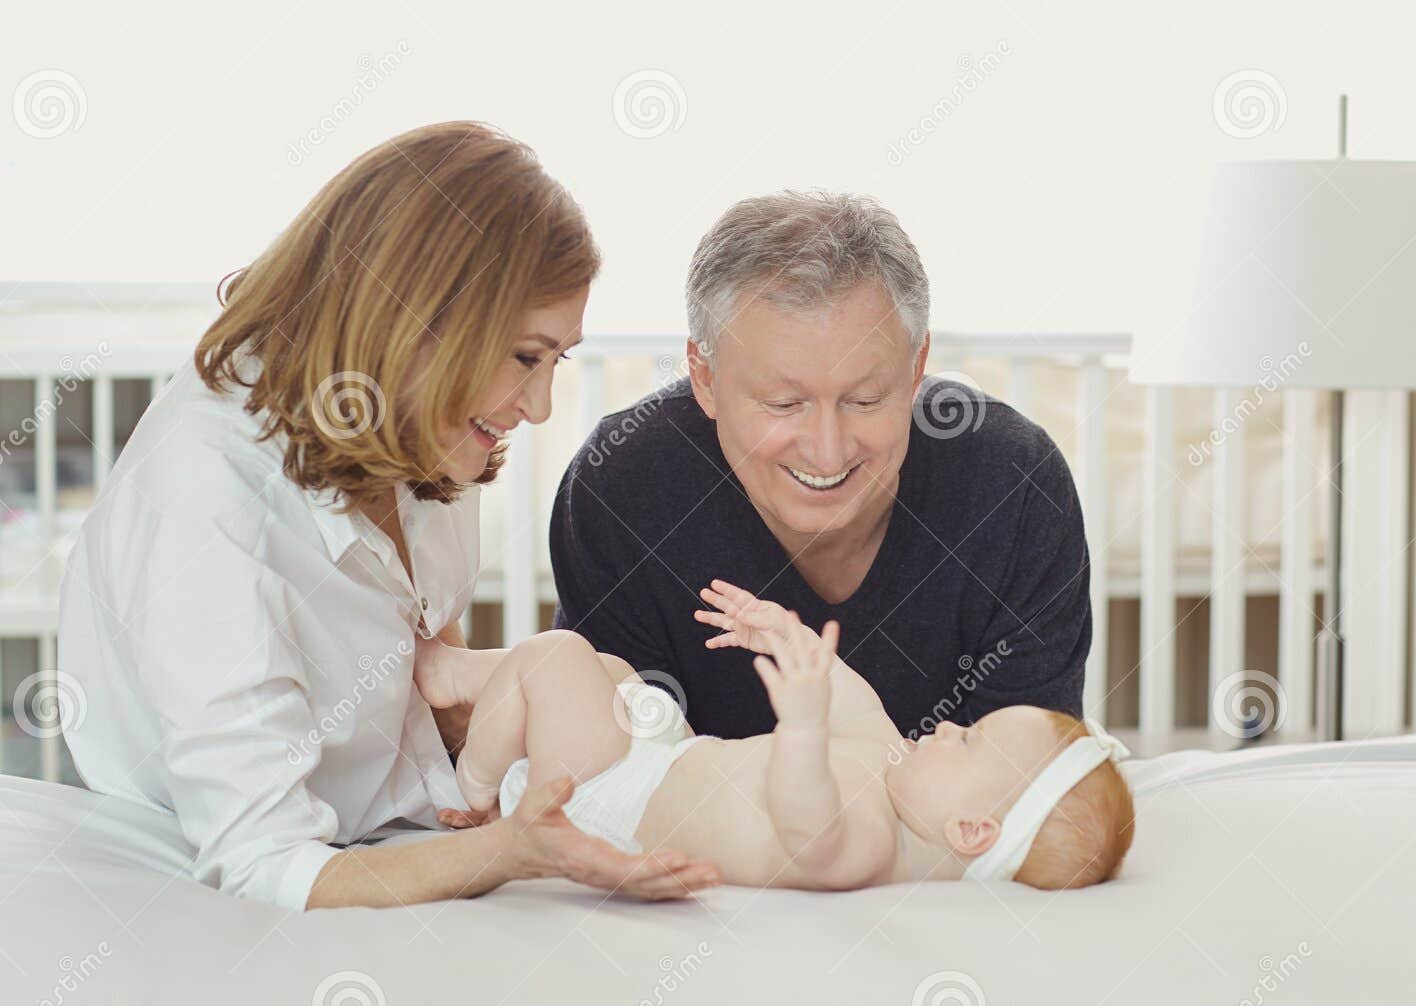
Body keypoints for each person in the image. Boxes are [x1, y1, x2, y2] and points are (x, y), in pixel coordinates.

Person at [56, 122, 718, 911]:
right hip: (301, 851)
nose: (540, 407)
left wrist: (520, 719)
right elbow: (268, 861)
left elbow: (421, 654)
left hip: (400, 811)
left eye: (558, 361)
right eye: (524, 357)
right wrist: (509, 850)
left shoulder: (422, 422)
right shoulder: (211, 501)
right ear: (416, 321)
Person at [550, 190, 1092, 741]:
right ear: (705, 380)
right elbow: (610, 778)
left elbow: (1027, 781)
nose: (827, 452)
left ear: (916, 367)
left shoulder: (1015, 486)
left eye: (865, 400)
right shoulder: (621, 485)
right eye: (785, 405)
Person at [416, 580, 1134, 890]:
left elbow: (806, 826)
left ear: (972, 829)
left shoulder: (870, 847)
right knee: (611, 670)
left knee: (560, 656)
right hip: (669, 756)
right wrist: (785, 634)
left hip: (614, 804)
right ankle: (482, 681)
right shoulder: (894, 769)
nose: (949, 725)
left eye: (969, 743)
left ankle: (475, 785)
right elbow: (854, 704)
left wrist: (801, 727)